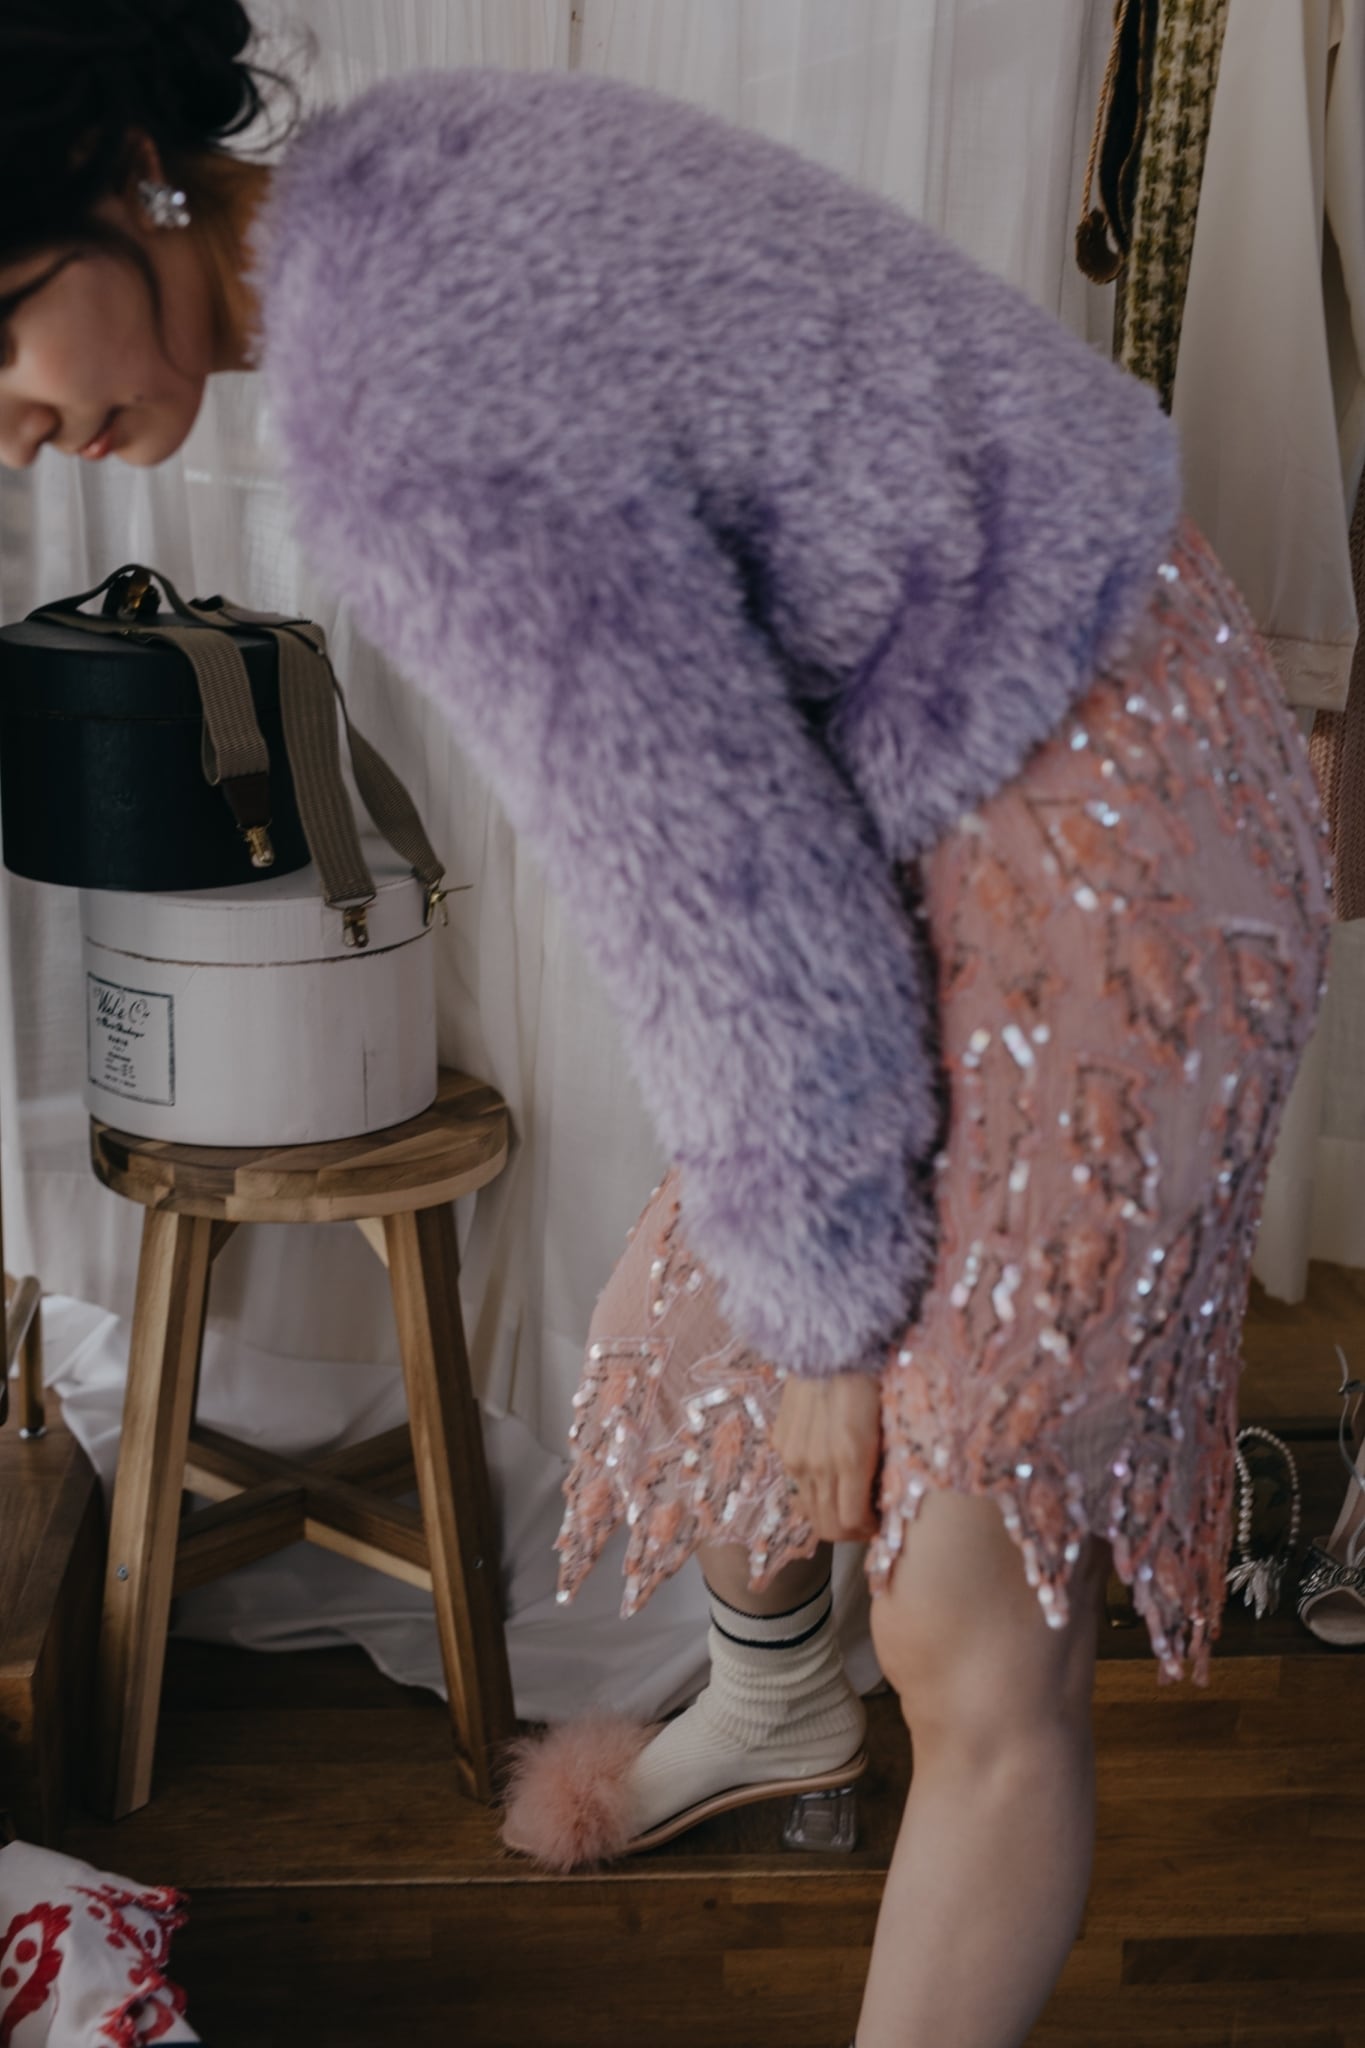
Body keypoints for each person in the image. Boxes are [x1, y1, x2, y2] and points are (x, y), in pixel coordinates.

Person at [0, 6, 1330, 2044]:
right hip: (1033, 701)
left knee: (963, 1617)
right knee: (694, 1325)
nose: (12, 431)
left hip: (1096, 787)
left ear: (113, 174)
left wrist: (834, 1319)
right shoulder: (412, 165)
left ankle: (866, 1723)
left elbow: (721, 883)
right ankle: (775, 1702)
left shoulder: (407, 406)